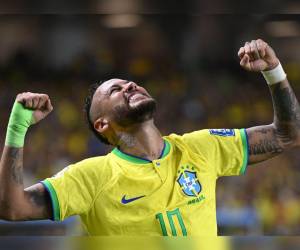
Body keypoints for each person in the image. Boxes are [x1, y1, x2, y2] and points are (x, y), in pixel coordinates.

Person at [0, 39, 299, 236]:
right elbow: (13, 207)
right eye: (115, 90)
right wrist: (16, 131)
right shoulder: (91, 177)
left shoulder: (203, 147)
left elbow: (288, 134)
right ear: (102, 125)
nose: (129, 84)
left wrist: (273, 71)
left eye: (129, 82)